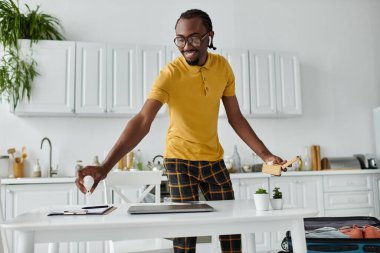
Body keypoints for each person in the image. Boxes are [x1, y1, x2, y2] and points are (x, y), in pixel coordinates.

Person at [76, 9, 285, 253]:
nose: (186, 46)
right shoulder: (170, 74)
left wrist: (266, 156)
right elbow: (143, 120)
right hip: (179, 161)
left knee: (231, 231)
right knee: (186, 234)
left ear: (210, 37)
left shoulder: (223, 67)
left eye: (194, 38)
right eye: (180, 39)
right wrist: (105, 166)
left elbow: (235, 117)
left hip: (213, 161)